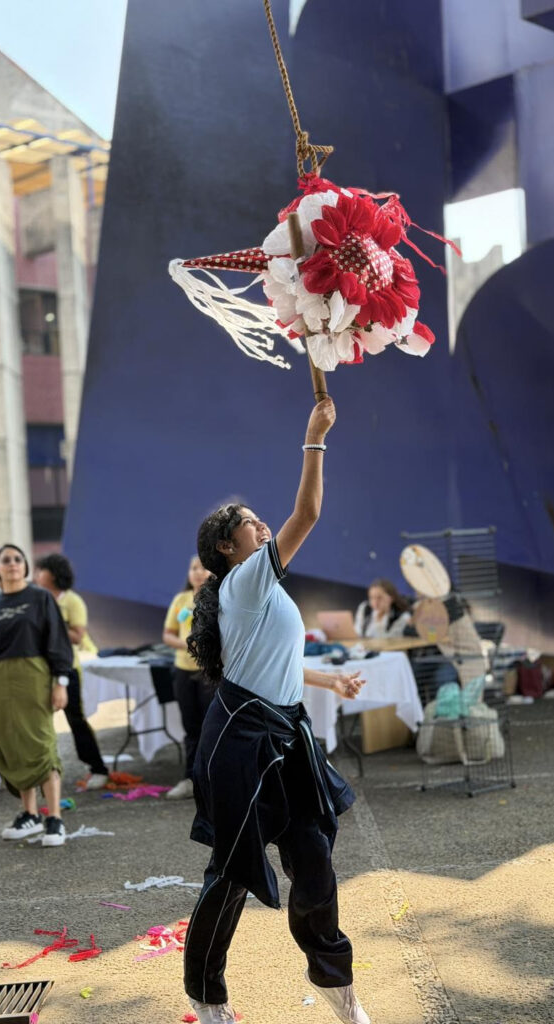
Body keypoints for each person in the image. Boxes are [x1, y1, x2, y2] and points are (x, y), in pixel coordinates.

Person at [183, 398, 371, 1024]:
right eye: (250, 523)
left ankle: (337, 985)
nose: (263, 525)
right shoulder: (242, 582)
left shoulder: (259, 591)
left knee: (313, 859)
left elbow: (276, 662)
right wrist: (315, 437)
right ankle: (206, 996)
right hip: (241, 742)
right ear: (226, 547)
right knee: (232, 873)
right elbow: (308, 512)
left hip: (286, 732)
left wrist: (328, 678)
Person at [0, 543, 74, 847]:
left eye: (18, 559)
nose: (13, 563)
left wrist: (61, 682)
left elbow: (58, 641)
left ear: (25, 567)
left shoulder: (41, 598)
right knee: (11, 745)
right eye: (6, 560)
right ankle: (29, 814)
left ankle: (54, 818)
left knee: (41, 742)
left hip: (34, 677)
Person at [33, 553, 108, 789]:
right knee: (36, 722)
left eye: (42, 570)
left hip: (67, 668)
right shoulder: (36, 598)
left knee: (76, 719)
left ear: (54, 575)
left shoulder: (72, 601)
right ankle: (35, 770)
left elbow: (78, 636)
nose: (37, 575)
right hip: (38, 670)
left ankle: (98, 768)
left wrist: (52, 625)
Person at [162, 556, 213, 800]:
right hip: (183, 669)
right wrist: (188, 644)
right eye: (193, 568)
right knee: (191, 727)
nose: (198, 572)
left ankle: (213, 779)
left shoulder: (218, 598)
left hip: (210, 672)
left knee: (211, 727)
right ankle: (190, 779)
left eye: (203, 567)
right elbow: (168, 635)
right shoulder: (181, 600)